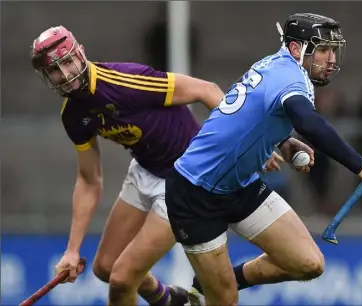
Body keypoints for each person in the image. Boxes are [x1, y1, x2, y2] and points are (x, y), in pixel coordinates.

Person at [30, 25, 284, 306]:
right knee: (105, 267)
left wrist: (247, 135)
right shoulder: (73, 115)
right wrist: (72, 251)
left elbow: (205, 90)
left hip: (184, 179)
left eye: (67, 61)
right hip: (144, 169)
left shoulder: (124, 81)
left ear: (81, 53)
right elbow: (89, 180)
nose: (64, 74)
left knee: (122, 278)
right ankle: (167, 299)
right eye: (54, 69)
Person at [164, 13, 362, 305]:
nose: (331, 58)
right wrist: (360, 165)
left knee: (309, 263)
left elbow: (248, 114)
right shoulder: (289, 76)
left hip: (240, 186)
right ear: (297, 49)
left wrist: (282, 141)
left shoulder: (277, 66)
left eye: (332, 50)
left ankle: (214, 283)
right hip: (195, 193)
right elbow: (310, 123)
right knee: (225, 300)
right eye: (323, 49)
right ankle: (214, 288)